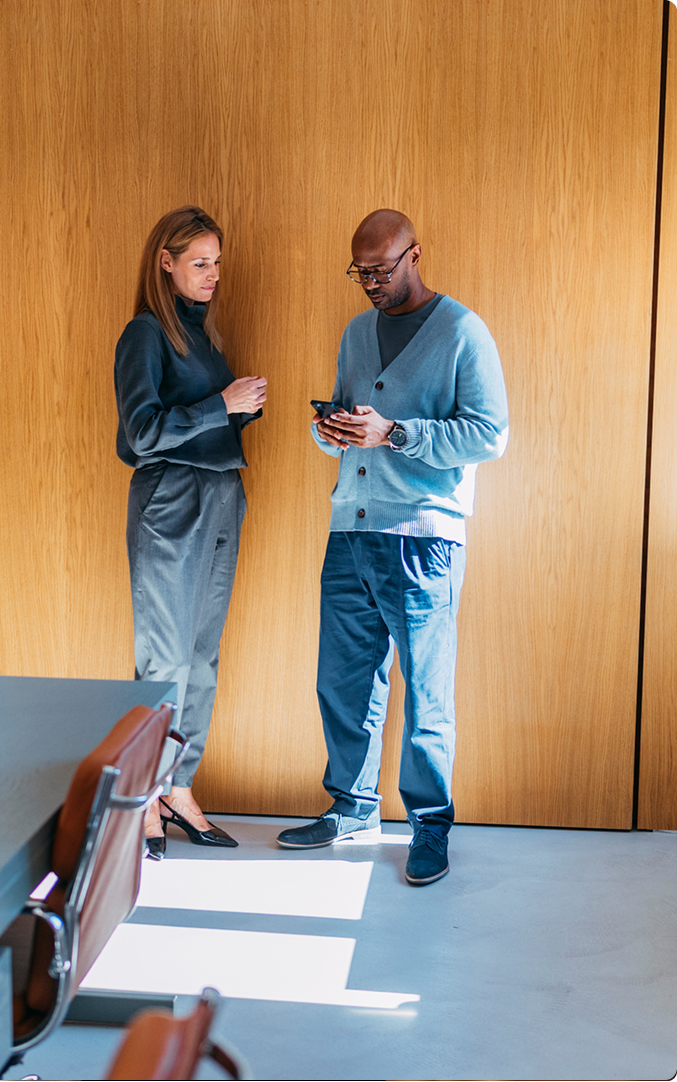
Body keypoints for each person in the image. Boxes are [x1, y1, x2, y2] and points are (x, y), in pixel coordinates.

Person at [276, 209, 509, 886]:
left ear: (414, 255)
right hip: (350, 529)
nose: (370, 283)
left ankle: (430, 824)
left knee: (426, 693)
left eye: (380, 270)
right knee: (343, 681)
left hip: (423, 539)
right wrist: (334, 431)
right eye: (360, 272)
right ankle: (351, 808)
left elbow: (490, 434)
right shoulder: (355, 333)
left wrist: (398, 434)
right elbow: (353, 427)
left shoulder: (463, 332)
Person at [115, 206, 267, 859]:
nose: (211, 275)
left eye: (216, 263)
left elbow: (206, 423)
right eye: (199, 262)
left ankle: (179, 786)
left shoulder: (205, 338)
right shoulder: (145, 334)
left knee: (202, 657)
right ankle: (145, 796)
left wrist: (240, 414)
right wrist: (222, 405)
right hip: (171, 496)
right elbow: (140, 434)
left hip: (222, 494)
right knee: (164, 659)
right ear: (166, 264)